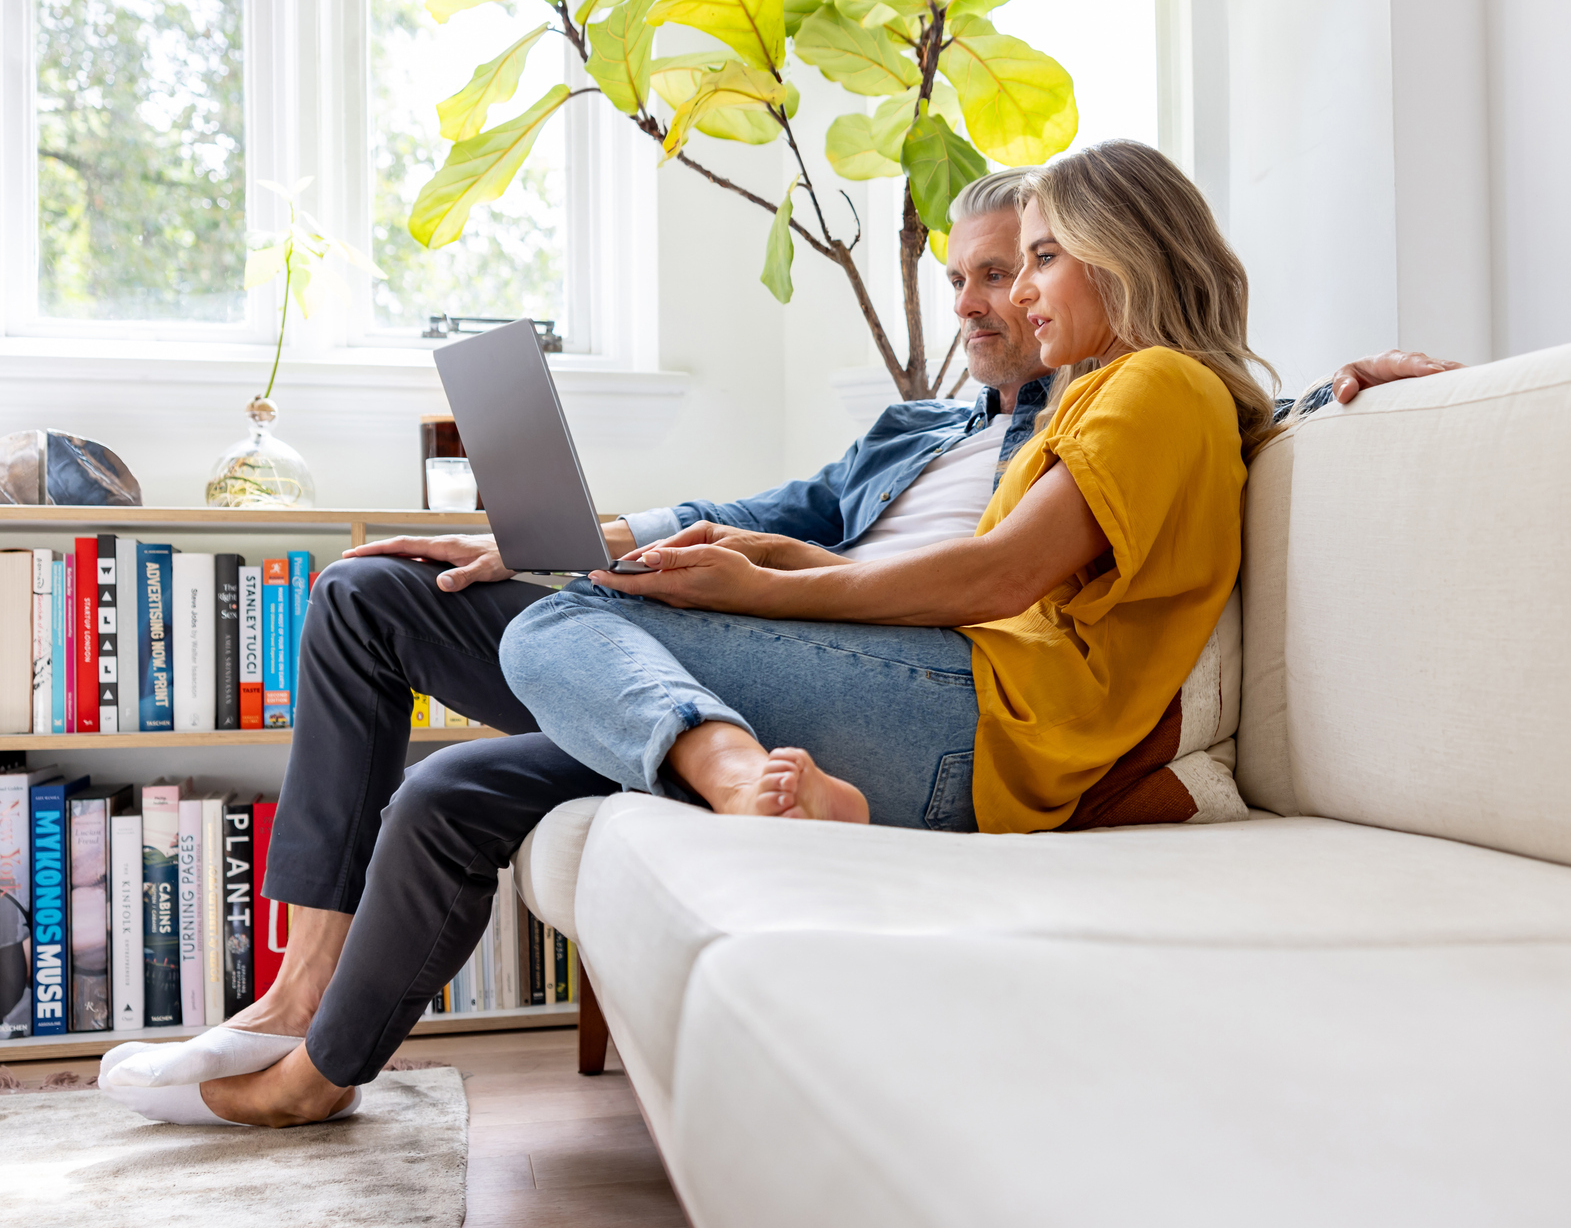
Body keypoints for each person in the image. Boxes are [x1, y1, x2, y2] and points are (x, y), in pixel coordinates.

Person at [99, 157, 1459, 1127]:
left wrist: (1342, 391)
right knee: (448, 762)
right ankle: (311, 1053)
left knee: (559, 620)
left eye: (1029, 261)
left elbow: (1029, 549)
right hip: (875, 671)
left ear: (1118, 253)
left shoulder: (1139, 390)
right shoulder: (946, 429)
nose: (1003, 299)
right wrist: (646, 548)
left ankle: (734, 766)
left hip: (941, 706)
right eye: (986, 272)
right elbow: (784, 524)